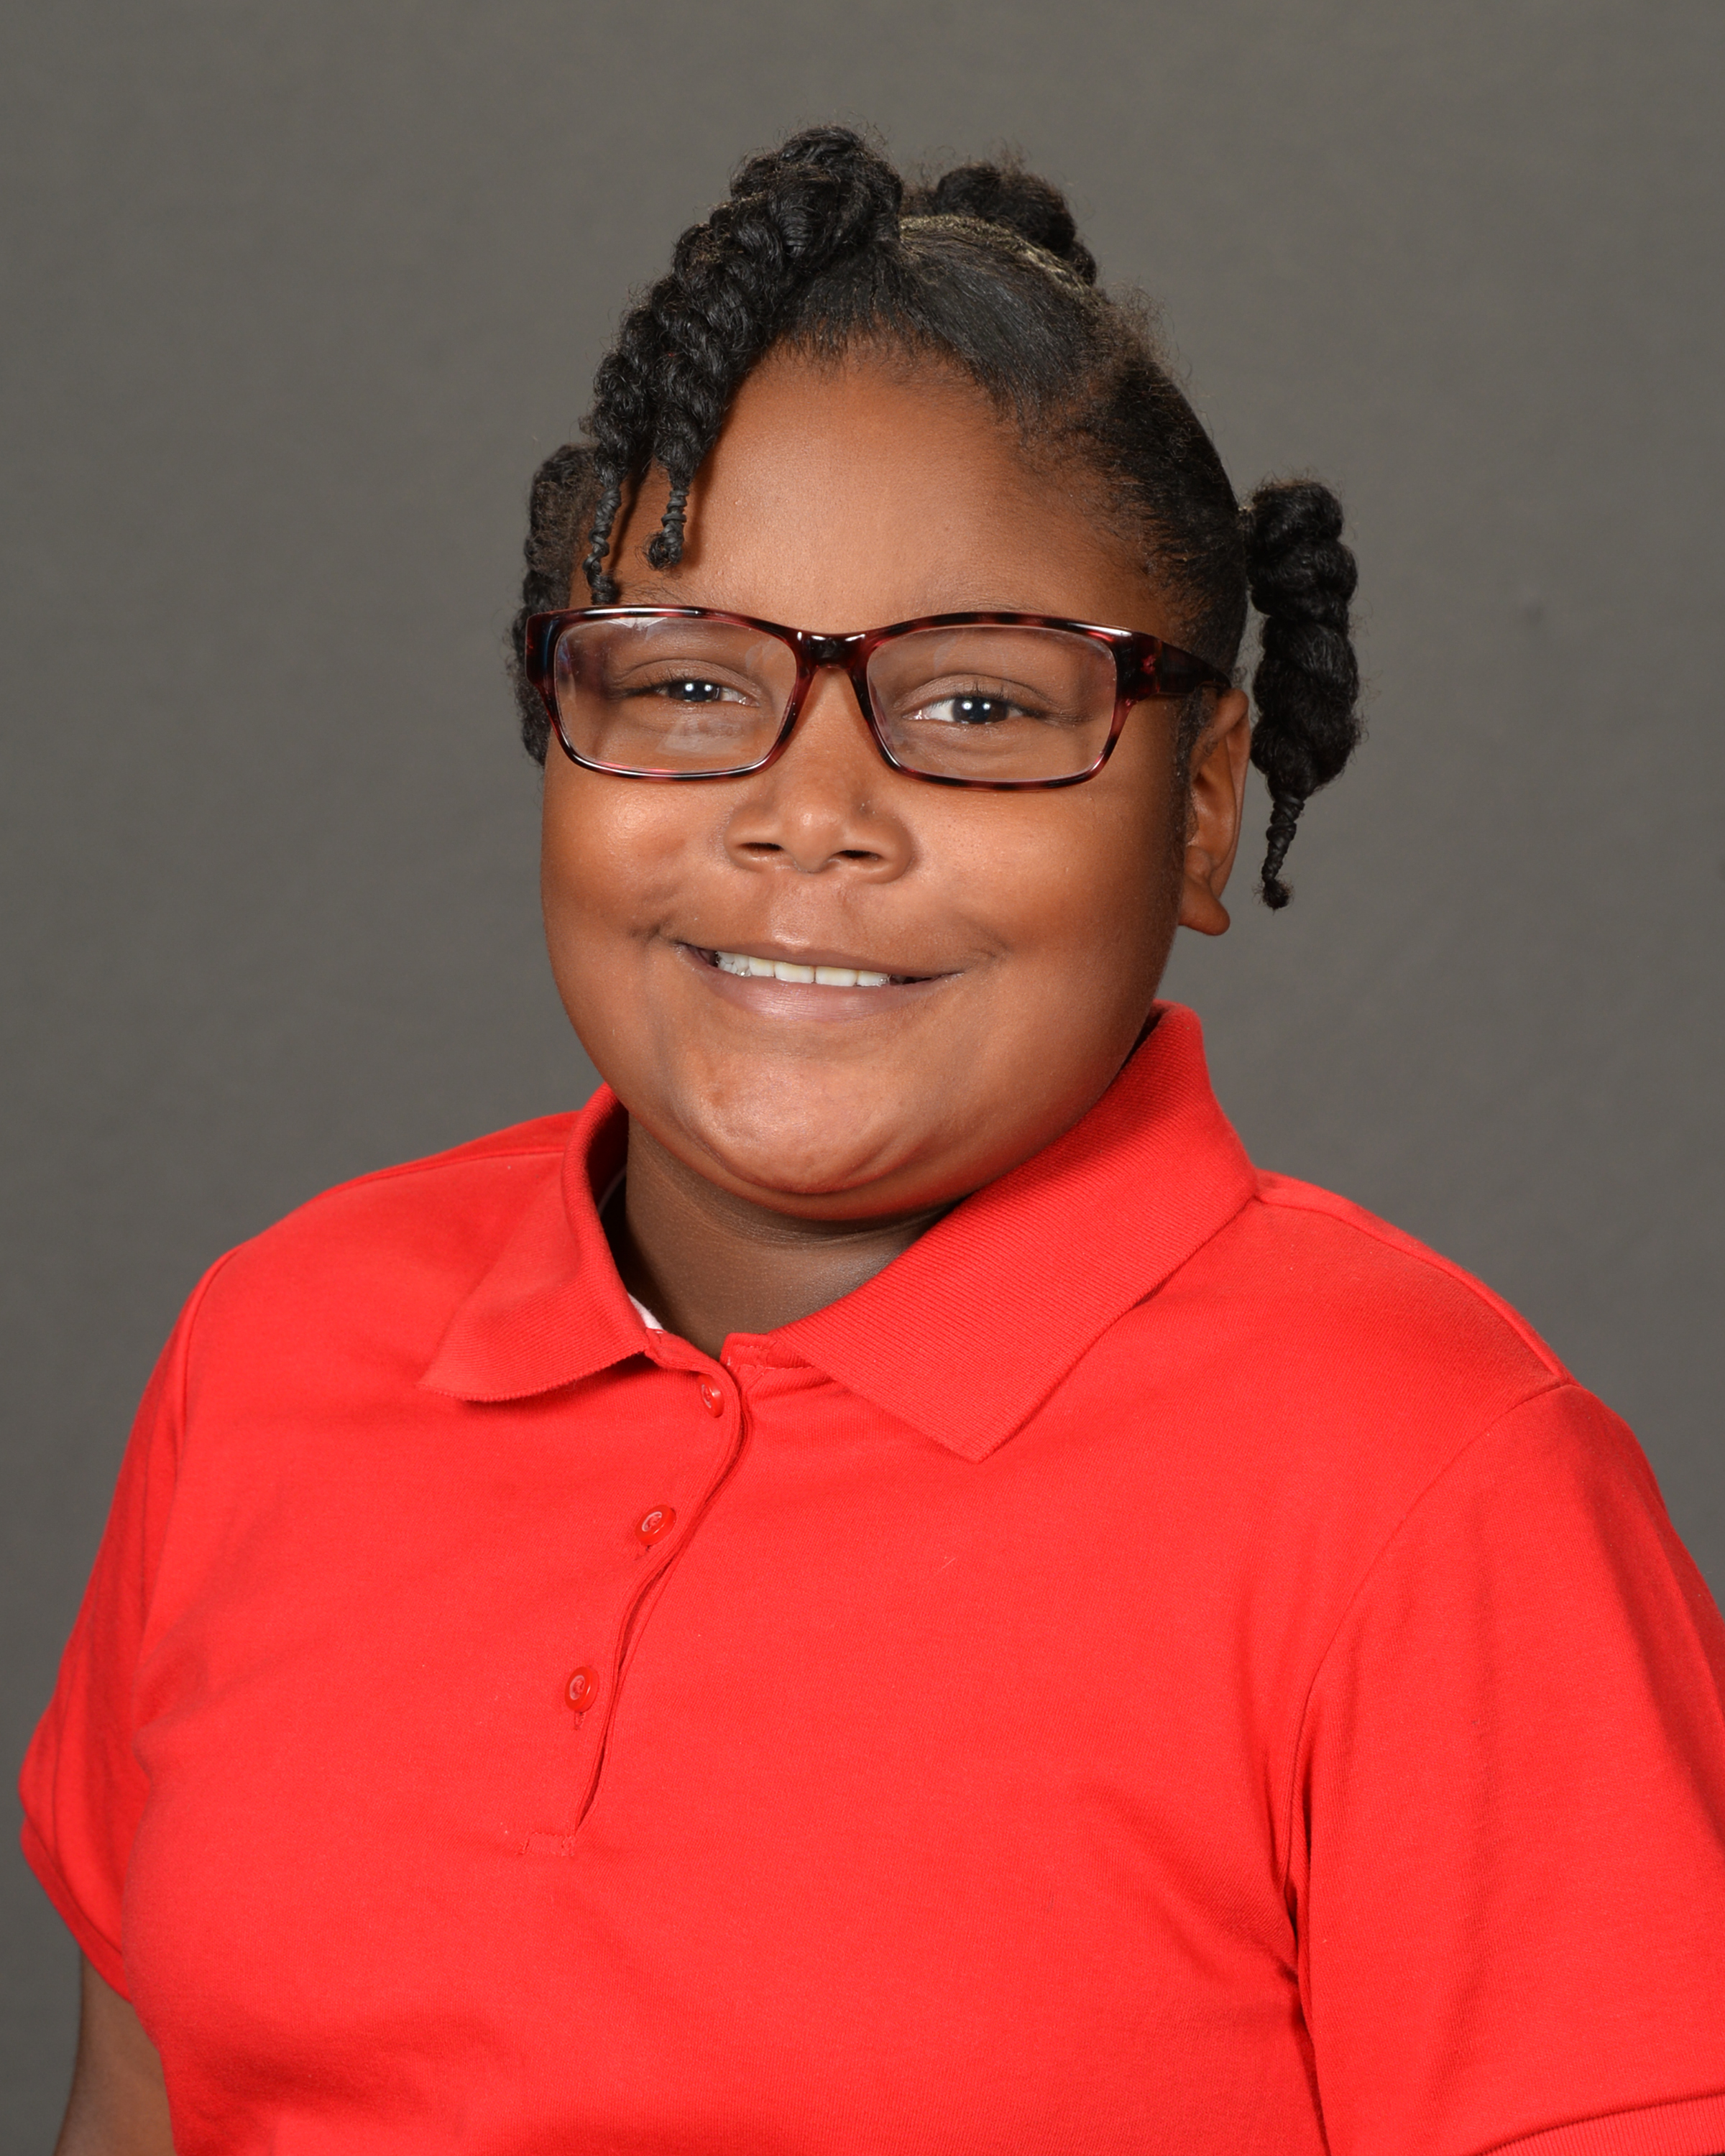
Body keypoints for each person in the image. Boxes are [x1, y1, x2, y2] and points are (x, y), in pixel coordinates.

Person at [23, 126, 1725, 2156]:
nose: (809, 816)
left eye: (983, 707)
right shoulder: (277, 1344)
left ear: (1201, 809)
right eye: (687, 681)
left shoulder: (1436, 1496)